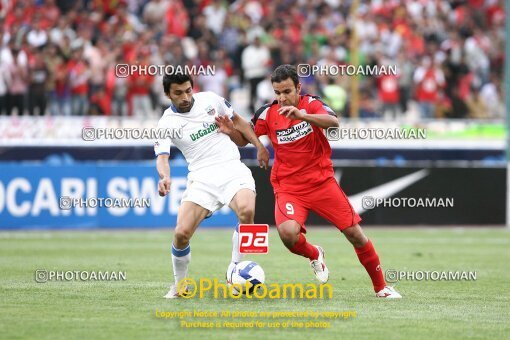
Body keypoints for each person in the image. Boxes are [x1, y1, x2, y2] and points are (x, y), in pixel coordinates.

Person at [217, 65, 401, 298]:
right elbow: (245, 138)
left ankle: (381, 287)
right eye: (278, 92)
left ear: (298, 88)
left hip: (321, 182)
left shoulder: (311, 104)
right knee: (288, 235)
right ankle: (315, 254)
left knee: (355, 234)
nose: (282, 98)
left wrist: (303, 115)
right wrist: (235, 134)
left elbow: (333, 122)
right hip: (288, 187)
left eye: (287, 91)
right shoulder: (268, 112)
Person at [155, 72, 269, 298]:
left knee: (247, 212)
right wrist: (164, 177)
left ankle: (234, 269)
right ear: (168, 94)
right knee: (181, 234)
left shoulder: (210, 100)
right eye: (178, 93)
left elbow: (240, 123)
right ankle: (180, 285)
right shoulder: (166, 123)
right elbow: (162, 157)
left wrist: (259, 146)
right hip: (201, 178)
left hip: (231, 168)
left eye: (188, 90)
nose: (186, 96)